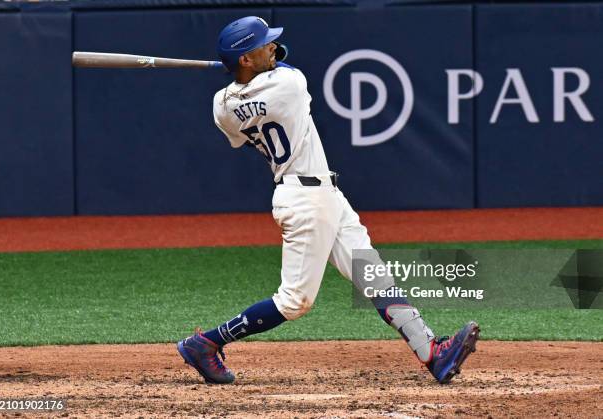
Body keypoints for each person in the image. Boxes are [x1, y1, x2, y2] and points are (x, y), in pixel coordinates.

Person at [177, 16, 479, 385]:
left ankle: (433, 353)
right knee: (294, 302)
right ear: (244, 59)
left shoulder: (220, 106)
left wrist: (246, 74)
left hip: (322, 194)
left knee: (373, 275)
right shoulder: (289, 82)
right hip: (305, 200)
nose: (273, 46)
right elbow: (282, 67)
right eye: (264, 44)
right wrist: (261, 69)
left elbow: (242, 112)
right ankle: (205, 343)